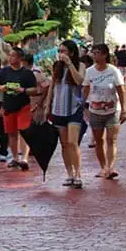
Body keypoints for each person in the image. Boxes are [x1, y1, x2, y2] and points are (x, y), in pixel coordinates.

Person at [82, 43, 126, 179]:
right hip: (95, 111)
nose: (94, 55)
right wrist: (83, 106)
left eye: (97, 53)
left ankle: (110, 167)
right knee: (99, 140)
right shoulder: (89, 71)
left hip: (112, 110)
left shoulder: (113, 71)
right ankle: (102, 167)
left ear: (104, 55)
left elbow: (121, 90)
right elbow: (85, 89)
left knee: (111, 139)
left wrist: (124, 109)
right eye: (93, 53)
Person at [48, 40, 86, 189]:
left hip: (74, 108)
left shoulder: (79, 65)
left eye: (63, 51)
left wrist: (70, 64)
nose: (61, 54)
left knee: (73, 142)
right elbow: (52, 86)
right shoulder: (56, 67)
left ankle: (78, 174)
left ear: (71, 52)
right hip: (58, 109)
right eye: (59, 51)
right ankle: (69, 173)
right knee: (64, 144)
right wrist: (47, 106)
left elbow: (79, 81)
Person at [0, 47, 38, 170]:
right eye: (10, 55)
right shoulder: (4, 72)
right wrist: (2, 88)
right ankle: (14, 157)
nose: (10, 58)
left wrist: (22, 90)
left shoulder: (27, 73)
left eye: (13, 56)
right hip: (8, 106)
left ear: (20, 58)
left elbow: (34, 89)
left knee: (24, 132)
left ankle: (24, 158)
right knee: (11, 133)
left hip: (23, 106)